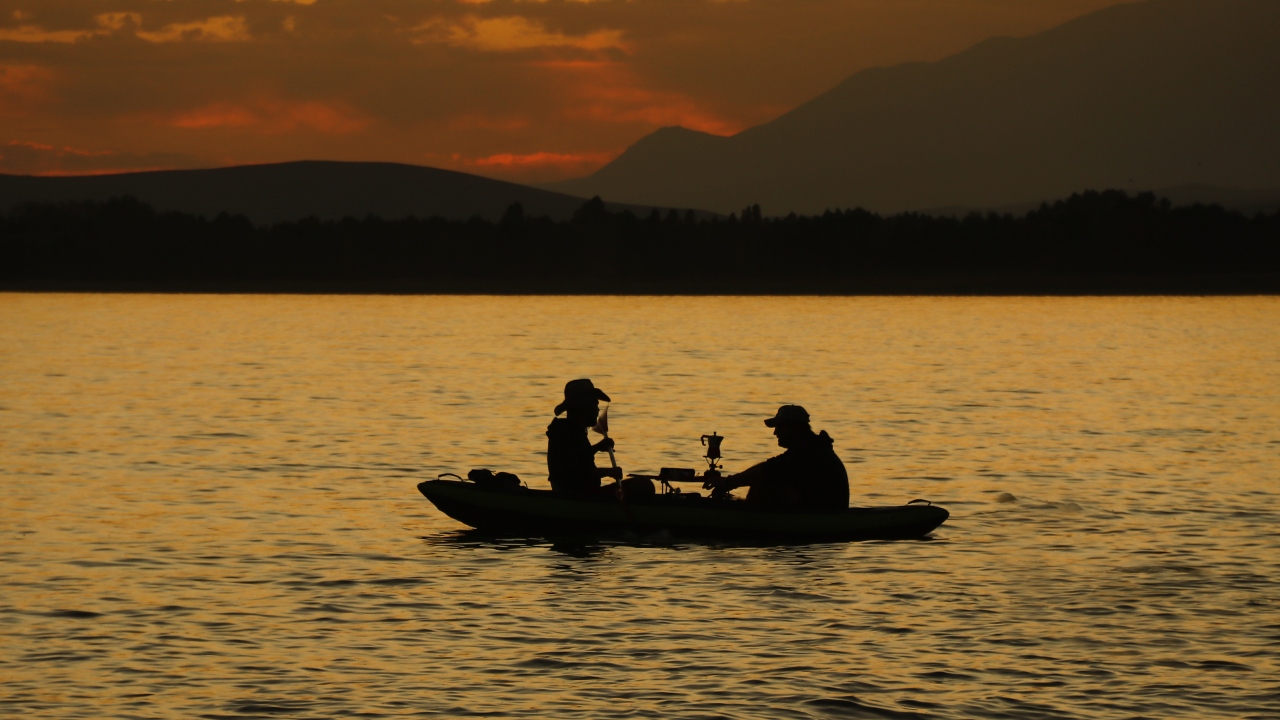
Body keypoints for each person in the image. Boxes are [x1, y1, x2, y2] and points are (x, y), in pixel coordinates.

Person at [709, 405, 849, 511]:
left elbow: (766, 473)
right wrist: (730, 481)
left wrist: (729, 484)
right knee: (762, 481)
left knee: (765, 487)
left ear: (795, 429)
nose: (775, 433)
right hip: (816, 508)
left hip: (823, 515)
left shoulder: (809, 452)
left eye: (779, 427)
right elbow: (767, 466)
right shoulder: (808, 447)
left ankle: (746, 519)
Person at [546, 379, 624, 497]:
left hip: (583, 492)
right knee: (643, 485)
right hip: (575, 495)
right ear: (582, 406)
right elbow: (575, 472)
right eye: (594, 404)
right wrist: (608, 472)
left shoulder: (571, 430)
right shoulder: (565, 433)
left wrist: (597, 447)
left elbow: (578, 456)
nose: (597, 409)